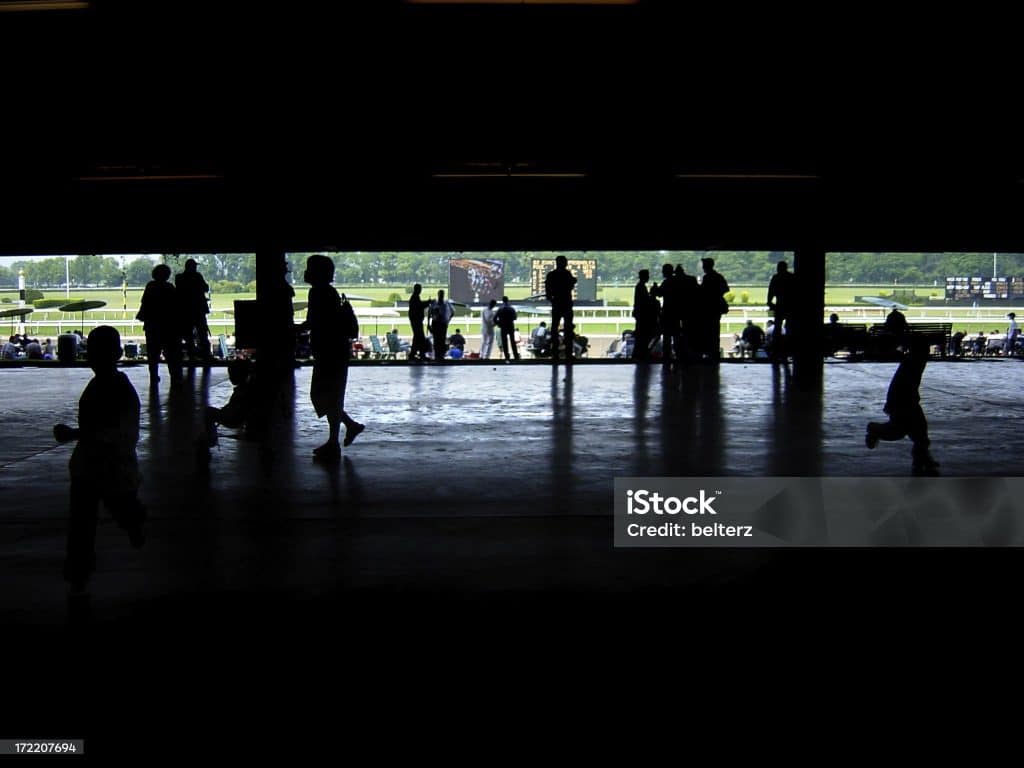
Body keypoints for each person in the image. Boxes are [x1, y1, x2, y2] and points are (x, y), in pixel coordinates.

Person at [53, 326, 145, 594]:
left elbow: (117, 433)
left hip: (107, 466)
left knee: (91, 517)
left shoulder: (107, 388)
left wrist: (76, 434)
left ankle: (79, 572)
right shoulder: (117, 387)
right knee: (86, 519)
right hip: (101, 467)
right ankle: (78, 570)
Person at [296, 254, 365, 461]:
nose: (305, 272)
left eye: (309, 268)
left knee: (321, 395)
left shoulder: (317, 293)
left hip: (328, 352)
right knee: (331, 395)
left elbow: (314, 321)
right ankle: (341, 434)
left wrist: (292, 329)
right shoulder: (329, 292)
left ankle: (340, 435)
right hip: (336, 352)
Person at [866, 336, 939, 475]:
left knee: (916, 433)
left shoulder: (912, 360)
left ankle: (922, 458)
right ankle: (874, 429)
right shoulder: (915, 361)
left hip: (903, 401)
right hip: (905, 402)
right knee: (907, 432)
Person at [136, 263, 183, 388]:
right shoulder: (169, 287)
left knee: (153, 354)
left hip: (152, 326)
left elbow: (145, 303)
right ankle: (175, 377)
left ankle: (153, 376)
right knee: (171, 353)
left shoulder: (150, 286)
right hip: (168, 327)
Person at [202, 358, 254, 446]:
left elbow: (234, 408)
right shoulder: (246, 389)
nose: (230, 378)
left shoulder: (241, 392)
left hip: (233, 418)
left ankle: (211, 439)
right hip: (235, 417)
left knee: (208, 412)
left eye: (232, 375)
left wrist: (225, 411)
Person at [175, 258, 213, 362]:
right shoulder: (197, 276)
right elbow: (205, 288)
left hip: (185, 311)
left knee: (188, 335)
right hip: (199, 310)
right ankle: (206, 355)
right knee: (202, 334)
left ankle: (191, 356)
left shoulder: (179, 278)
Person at [544, 255, 577, 361]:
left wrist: (553, 300)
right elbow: (571, 284)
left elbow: (548, 292)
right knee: (568, 329)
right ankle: (568, 354)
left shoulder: (551, 275)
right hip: (566, 304)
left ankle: (555, 354)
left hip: (557, 305)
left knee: (554, 329)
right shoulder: (567, 274)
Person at [698, 257, 730, 361]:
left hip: (708, 308)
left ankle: (709, 353)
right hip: (716, 308)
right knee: (715, 331)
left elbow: (702, 292)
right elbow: (726, 289)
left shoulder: (707, 277)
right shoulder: (718, 276)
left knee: (707, 331)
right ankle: (714, 353)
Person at [632, 269, 656, 361]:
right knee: (642, 337)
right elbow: (645, 302)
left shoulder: (639, 286)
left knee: (641, 336)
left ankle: (639, 354)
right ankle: (641, 354)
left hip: (640, 315)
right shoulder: (641, 287)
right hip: (643, 316)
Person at [428, 289, 455, 362]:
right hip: (435, 324)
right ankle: (437, 355)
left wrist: (448, 320)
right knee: (436, 340)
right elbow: (429, 313)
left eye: (442, 294)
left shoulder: (447, 303)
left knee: (442, 340)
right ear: (438, 294)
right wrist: (428, 324)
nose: (441, 296)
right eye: (440, 294)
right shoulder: (434, 303)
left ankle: (441, 356)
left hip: (443, 324)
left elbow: (453, 312)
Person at [407, 283, 429, 361]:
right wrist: (428, 302)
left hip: (416, 321)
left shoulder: (414, 297)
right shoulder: (415, 298)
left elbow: (420, 305)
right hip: (416, 321)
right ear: (418, 289)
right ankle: (419, 354)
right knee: (420, 337)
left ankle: (414, 355)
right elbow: (420, 306)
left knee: (417, 338)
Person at [494, 296, 519, 363]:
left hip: (503, 327)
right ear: (508, 300)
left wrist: (499, 324)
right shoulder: (511, 308)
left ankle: (507, 356)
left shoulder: (500, 309)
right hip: (510, 326)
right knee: (512, 342)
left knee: (504, 343)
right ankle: (516, 355)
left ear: (502, 301)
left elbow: (494, 319)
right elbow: (515, 318)